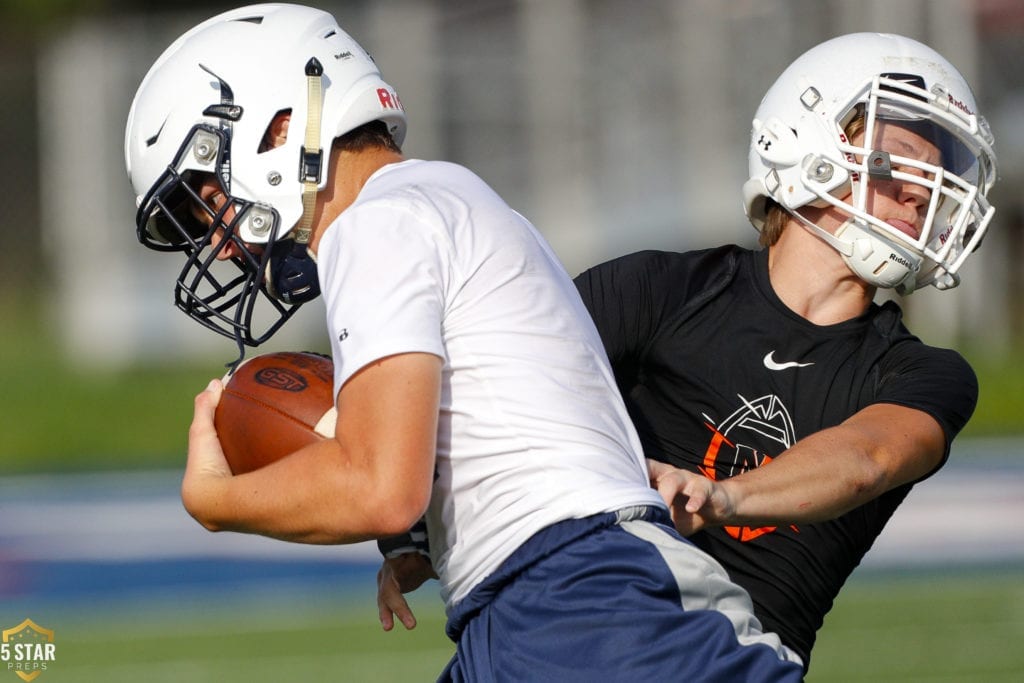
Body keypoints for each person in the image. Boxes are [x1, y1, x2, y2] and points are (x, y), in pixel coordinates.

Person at [124, 4, 805, 680]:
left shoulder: (377, 223)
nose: (213, 238)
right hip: (533, 600)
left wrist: (214, 501)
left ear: (278, 125)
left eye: (204, 193)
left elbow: (378, 488)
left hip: (584, 601)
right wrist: (434, 534)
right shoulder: (437, 198)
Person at [377, 32, 998, 675]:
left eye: (940, 179)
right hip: (561, 619)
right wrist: (411, 530)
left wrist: (721, 496)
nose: (924, 195)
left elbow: (867, 457)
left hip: (715, 653)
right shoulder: (661, 290)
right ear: (806, 144)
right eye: (896, 164)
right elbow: (494, 384)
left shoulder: (925, 373)